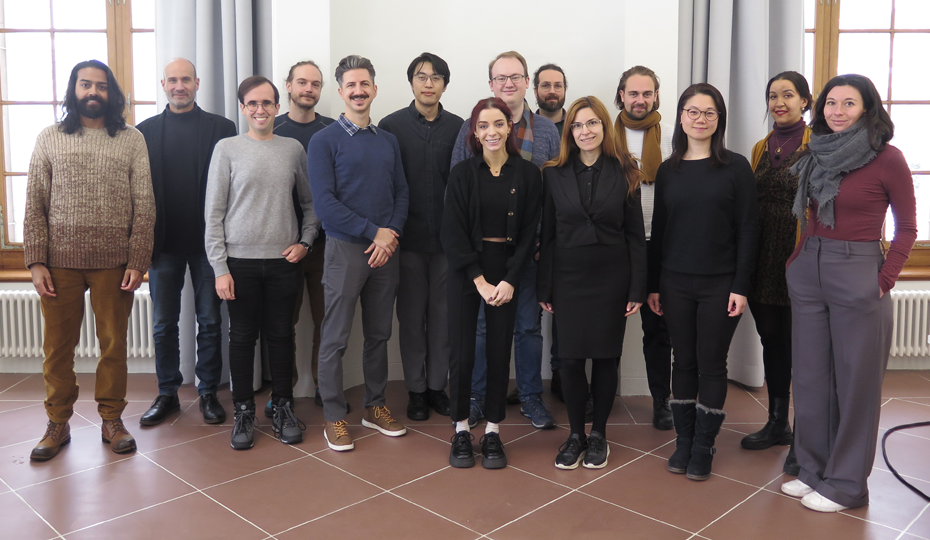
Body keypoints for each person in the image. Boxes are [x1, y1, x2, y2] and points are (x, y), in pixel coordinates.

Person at [780, 74, 916, 512]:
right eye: (830, 103)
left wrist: (883, 279)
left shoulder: (887, 159)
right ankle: (813, 471)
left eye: (848, 103)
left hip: (858, 271)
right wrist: (797, 260)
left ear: (867, 108)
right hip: (810, 271)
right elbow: (811, 216)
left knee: (855, 385)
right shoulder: (816, 154)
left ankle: (846, 485)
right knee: (811, 377)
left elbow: (907, 228)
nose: (836, 111)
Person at [25, 59, 155, 461]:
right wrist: (35, 261)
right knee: (57, 348)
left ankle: (112, 420)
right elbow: (34, 201)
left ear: (111, 94)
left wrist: (138, 258)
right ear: (73, 90)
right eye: (85, 85)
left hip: (115, 262)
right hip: (58, 263)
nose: (93, 92)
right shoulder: (50, 137)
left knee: (113, 346)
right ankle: (57, 422)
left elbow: (145, 203)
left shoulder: (131, 139)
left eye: (100, 86)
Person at [647, 83, 758, 481]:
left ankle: (703, 446)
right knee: (683, 361)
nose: (700, 119)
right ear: (680, 117)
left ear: (719, 120)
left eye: (709, 113)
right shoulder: (668, 169)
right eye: (693, 111)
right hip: (674, 282)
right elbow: (660, 230)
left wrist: (741, 285)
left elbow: (748, 230)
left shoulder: (736, 167)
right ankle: (683, 441)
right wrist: (653, 284)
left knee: (712, 364)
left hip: (720, 284)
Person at [205, 76, 319, 450]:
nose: (259, 110)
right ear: (242, 108)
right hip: (240, 264)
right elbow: (214, 215)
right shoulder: (226, 149)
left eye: (267, 103)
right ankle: (243, 412)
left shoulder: (292, 150)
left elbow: (309, 204)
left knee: (281, 337)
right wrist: (220, 268)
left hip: (284, 262)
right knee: (241, 338)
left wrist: (305, 242)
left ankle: (283, 407)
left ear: (277, 105)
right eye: (252, 104)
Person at [451, 51, 560, 431]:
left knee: (528, 326)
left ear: (527, 81)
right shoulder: (472, 126)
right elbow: (458, 188)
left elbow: (557, 188)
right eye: (501, 77)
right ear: (491, 83)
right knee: (481, 327)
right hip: (482, 253)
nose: (509, 83)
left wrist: (545, 241)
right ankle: (479, 397)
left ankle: (530, 396)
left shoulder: (546, 131)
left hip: (530, 250)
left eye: (516, 76)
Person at [538, 96, 646, 470]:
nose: (585, 131)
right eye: (578, 125)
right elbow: (547, 235)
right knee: (568, 360)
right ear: (570, 132)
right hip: (567, 278)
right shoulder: (552, 173)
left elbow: (635, 236)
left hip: (611, 278)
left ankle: (598, 433)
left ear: (604, 127)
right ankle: (575, 435)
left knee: (605, 358)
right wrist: (544, 286)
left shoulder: (626, 170)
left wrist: (637, 289)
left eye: (592, 124)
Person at [308, 55, 409, 452]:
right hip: (346, 250)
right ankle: (334, 415)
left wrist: (391, 235)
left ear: (375, 88)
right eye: (351, 85)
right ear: (340, 92)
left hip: (387, 252)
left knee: (380, 334)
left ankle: (375, 406)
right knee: (335, 337)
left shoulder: (388, 141)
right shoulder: (324, 141)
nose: (358, 91)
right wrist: (375, 232)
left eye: (364, 83)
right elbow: (325, 204)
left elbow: (402, 192)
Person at [137, 58, 237, 427]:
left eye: (186, 80)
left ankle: (208, 391)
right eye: (173, 80)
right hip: (163, 246)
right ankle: (167, 393)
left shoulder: (222, 128)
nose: (180, 86)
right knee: (164, 324)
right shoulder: (144, 131)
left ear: (197, 83)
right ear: (163, 84)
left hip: (210, 247)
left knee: (210, 322)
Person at [443, 97, 542, 469]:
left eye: (498, 124)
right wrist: (479, 280)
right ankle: (461, 430)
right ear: (474, 131)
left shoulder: (529, 175)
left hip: (508, 272)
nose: (492, 132)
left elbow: (531, 231)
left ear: (510, 127)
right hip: (468, 271)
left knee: (501, 352)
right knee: (464, 353)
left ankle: (494, 432)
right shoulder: (462, 174)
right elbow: (451, 232)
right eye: (483, 125)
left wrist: (510, 280)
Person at [379, 52, 464, 421]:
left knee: (444, 319)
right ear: (411, 82)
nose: (428, 83)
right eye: (421, 76)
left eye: (436, 77)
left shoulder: (461, 127)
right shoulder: (390, 126)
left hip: (448, 244)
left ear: (445, 83)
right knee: (411, 319)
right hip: (406, 241)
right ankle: (415, 390)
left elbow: (464, 187)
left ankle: (436, 388)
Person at [741, 72, 812, 472]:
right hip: (762, 263)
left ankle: (806, 432)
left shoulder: (817, 146)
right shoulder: (758, 148)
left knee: (804, 348)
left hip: (798, 260)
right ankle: (776, 422)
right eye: (773, 96)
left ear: (805, 101)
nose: (779, 102)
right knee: (772, 342)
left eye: (788, 95)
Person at [263, 59, 335, 418]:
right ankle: (283, 389)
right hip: (280, 247)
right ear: (287, 87)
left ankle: (325, 386)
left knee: (328, 321)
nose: (309, 89)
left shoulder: (333, 130)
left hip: (327, 246)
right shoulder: (269, 129)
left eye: (315, 84)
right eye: (302, 82)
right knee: (281, 323)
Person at [614, 65, 674, 430]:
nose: (640, 100)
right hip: (616, 245)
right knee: (608, 325)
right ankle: (599, 395)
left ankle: (661, 401)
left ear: (655, 96)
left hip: (660, 244)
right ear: (621, 94)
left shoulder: (672, 135)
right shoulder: (606, 135)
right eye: (633, 93)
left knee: (658, 328)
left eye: (646, 93)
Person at [533, 63, 567, 134]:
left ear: (565, 90)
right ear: (536, 91)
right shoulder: (525, 128)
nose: (552, 91)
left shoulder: (576, 126)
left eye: (558, 86)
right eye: (545, 86)